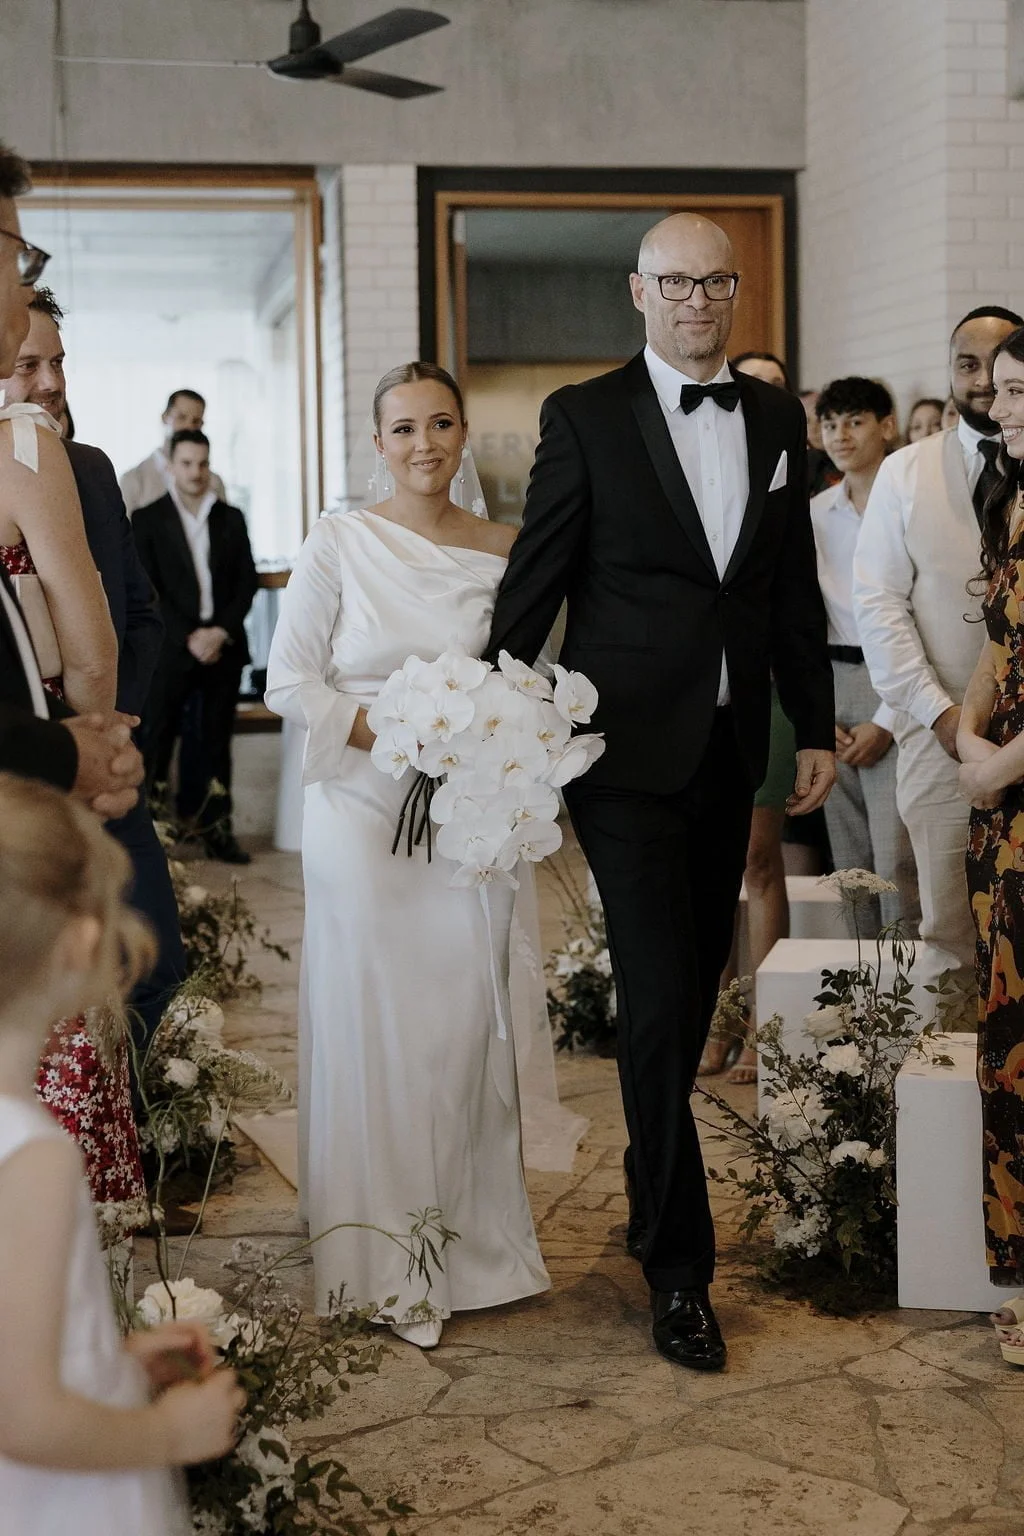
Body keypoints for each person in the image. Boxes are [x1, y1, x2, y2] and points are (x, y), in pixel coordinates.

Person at [484, 213, 836, 1372]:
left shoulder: (775, 419)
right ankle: (679, 1271)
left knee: (689, 994)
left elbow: (787, 590)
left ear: (735, 293)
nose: (696, 300)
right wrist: (492, 719)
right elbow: (538, 577)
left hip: (731, 749)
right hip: (623, 756)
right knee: (652, 995)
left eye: (714, 282)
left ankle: (651, 1172)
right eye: (675, 282)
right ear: (638, 292)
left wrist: (810, 730)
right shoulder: (584, 416)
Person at [265, 362, 553, 1349]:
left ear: (463, 433)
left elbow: (526, 676)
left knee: (463, 1020)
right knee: (378, 1023)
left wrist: (488, 735)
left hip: (468, 807)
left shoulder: (508, 550)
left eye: (439, 424)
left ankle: (469, 1251)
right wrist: (401, 736)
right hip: (360, 809)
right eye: (403, 428)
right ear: (377, 441)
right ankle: (383, 1262)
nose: (423, 444)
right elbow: (291, 681)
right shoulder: (339, 540)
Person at [0, 773, 244, 1531]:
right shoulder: (30, 1155)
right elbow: (21, 1416)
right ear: (80, 944)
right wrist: (171, 1433)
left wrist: (111, 1361)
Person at [0, 286, 186, 1064]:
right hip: (29, 757)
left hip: (104, 739)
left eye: (59, 362)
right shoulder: (24, 451)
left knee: (154, 968)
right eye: (28, 363)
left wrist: (111, 730)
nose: (50, 382)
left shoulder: (87, 467)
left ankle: (144, 1105)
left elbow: (135, 616)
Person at [854, 305, 1024, 1005]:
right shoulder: (906, 472)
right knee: (950, 925)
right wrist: (945, 717)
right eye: (967, 365)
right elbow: (879, 606)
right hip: (940, 725)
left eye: (1001, 371)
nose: (984, 383)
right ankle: (956, 1058)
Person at [700, 346, 799, 1084]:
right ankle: (716, 1021)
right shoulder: (701, 474)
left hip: (769, 688)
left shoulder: (796, 485)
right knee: (708, 870)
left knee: (758, 861)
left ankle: (765, 1030)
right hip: (698, 695)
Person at [956, 324, 1024, 1308]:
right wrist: (971, 738)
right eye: (998, 391)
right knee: (1008, 1036)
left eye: (1018, 393)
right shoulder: (1010, 498)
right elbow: (997, 641)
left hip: (1013, 783)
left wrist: (1001, 765)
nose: (997, 407)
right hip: (1001, 811)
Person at [811, 377, 918, 936]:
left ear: (887, 426)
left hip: (895, 678)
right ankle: (863, 981)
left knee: (896, 855)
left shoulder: (910, 504)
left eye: (854, 421)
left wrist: (888, 719)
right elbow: (801, 617)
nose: (841, 435)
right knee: (849, 863)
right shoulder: (814, 513)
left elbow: (923, 615)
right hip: (833, 676)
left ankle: (908, 983)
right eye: (830, 424)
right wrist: (816, 713)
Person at [133, 430, 258, 864]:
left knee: (215, 745)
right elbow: (147, 588)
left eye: (203, 463)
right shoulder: (147, 519)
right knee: (156, 742)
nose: (196, 472)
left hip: (221, 648)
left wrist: (218, 632)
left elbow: (246, 581)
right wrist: (190, 635)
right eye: (186, 463)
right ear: (170, 466)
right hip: (171, 648)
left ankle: (217, 833)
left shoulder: (231, 517)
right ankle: (152, 839)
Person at [119, 389, 226, 516]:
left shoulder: (214, 483)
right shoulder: (133, 480)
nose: (189, 427)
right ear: (164, 417)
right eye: (181, 417)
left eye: (196, 421)